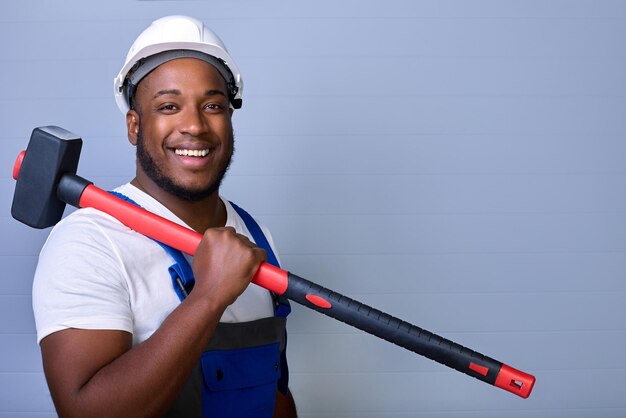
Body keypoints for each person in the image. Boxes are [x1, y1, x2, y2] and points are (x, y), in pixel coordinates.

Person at [31, 15, 297, 418]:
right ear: (135, 126)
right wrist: (209, 296)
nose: (193, 125)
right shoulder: (89, 243)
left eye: (213, 105)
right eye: (169, 106)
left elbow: (273, 393)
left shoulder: (256, 238)